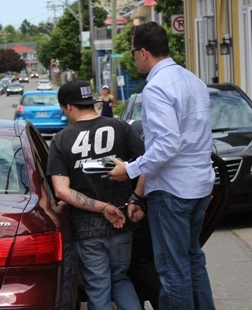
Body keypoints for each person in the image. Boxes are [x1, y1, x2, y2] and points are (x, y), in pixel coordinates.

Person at [108, 21, 216, 310]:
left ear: (143, 52)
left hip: (173, 191)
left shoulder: (156, 88)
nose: (134, 57)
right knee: (193, 259)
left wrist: (129, 170)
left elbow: (167, 145)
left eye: (133, 52)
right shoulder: (193, 80)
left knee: (173, 268)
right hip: (201, 185)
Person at [46, 79, 145, 310]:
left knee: (98, 287)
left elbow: (61, 190)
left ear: (68, 106)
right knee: (120, 279)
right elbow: (148, 166)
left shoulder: (61, 139)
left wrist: (101, 207)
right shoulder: (121, 128)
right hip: (123, 223)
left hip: (88, 229)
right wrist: (136, 199)